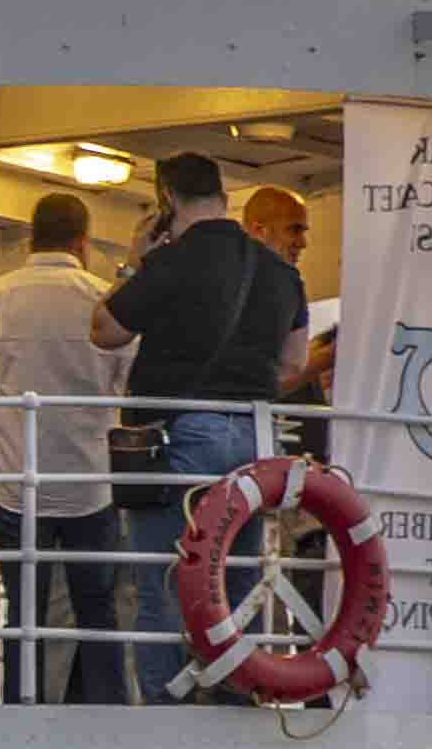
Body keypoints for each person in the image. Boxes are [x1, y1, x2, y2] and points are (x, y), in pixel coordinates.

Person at [90, 150, 311, 702]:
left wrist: (138, 261)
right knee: (236, 577)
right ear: (224, 198)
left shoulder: (170, 263)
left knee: (162, 578)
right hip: (254, 439)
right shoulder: (280, 271)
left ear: (167, 201)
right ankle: (238, 695)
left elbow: (105, 331)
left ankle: (169, 704)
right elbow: (292, 363)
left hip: (179, 436)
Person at [0, 190, 126, 701]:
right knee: (99, 610)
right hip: (91, 484)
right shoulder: (104, 299)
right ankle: (110, 713)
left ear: (31, 238)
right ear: (83, 240)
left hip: (18, 490)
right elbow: (126, 388)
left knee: (23, 612)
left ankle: (22, 711)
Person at [244, 183, 332, 401]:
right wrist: (327, 357)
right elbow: (285, 374)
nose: (303, 243)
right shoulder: (286, 284)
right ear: (258, 231)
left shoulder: (216, 274)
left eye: (303, 231)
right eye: (293, 229)